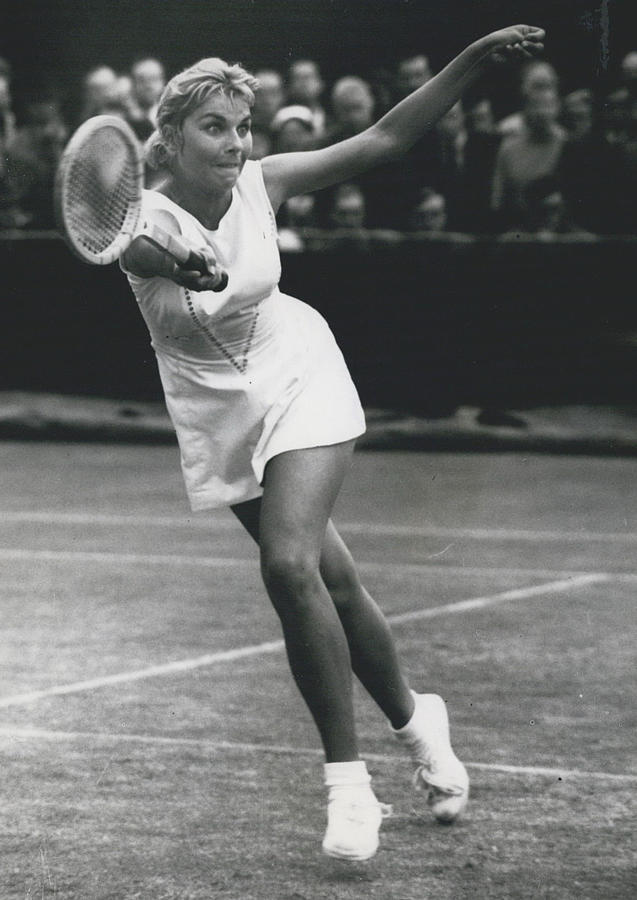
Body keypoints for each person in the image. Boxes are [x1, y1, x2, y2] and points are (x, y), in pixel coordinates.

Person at [120, 24, 545, 861]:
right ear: (170, 139)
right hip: (216, 407)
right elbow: (145, 247)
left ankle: (347, 788)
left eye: (244, 126)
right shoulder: (137, 217)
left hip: (297, 368)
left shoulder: (260, 181)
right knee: (333, 580)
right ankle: (421, 725)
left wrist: (466, 60)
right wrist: (182, 265)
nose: (237, 144)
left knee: (288, 563)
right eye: (216, 127)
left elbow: (383, 138)